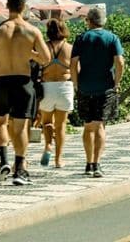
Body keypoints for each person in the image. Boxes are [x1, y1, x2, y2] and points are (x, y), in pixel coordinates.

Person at [0, 0, 50, 186]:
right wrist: (30, 54)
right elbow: (46, 58)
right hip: (23, 82)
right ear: (24, 6)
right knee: (20, 126)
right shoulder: (32, 30)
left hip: (1, 81)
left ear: (7, 6)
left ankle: (3, 161)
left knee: (0, 122)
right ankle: (20, 170)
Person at [71, 7, 124, 178]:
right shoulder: (112, 38)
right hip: (105, 87)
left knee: (88, 126)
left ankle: (88, 164)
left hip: (85, 86)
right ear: (103, 21)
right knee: (100, 125)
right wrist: (117, 82)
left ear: (89, 21)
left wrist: (76, 83)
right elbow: (120, 62)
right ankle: (97, 164)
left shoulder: (81, 38)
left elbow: (73, 63)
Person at [37, 18, 73, 168]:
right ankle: (58, 159)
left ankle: (48, 146)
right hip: (65, 86)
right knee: (61, 125)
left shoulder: (44, 47)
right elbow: (77, 68)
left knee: (46, 122)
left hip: (47, 86)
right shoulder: (70, 48)